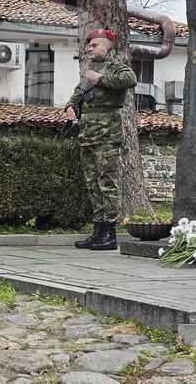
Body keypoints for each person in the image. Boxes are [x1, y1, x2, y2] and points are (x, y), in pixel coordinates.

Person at [65, 28, 138, 252]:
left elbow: (131, 79)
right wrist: (70, 106)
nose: (89, 48)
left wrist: (102, 79)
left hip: (108, 133)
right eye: (89, 45)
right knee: (92, 182)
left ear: (107, 46)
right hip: (88, 132)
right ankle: (98, 231)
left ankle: (110, 233)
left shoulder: (116, 65)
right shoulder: (91, 69)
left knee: (107, 182)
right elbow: (79, 92)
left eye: (94, 45)